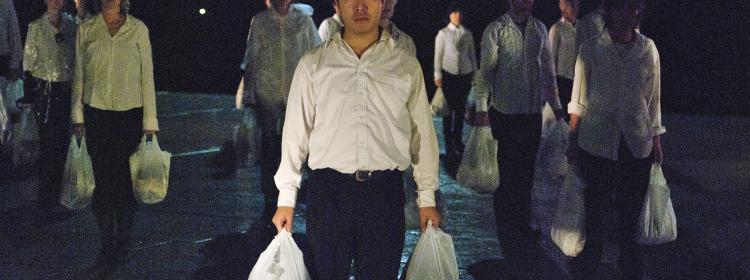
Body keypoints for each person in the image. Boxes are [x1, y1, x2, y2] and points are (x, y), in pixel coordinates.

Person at [271, 0, 441, 277]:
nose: (360, 5)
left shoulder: (405, 65)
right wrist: (286, 197)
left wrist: (427, 198)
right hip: (329, 194)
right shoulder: (314, 63)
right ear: (337, 4)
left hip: (384, 196)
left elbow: (422, 133)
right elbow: (295, 133)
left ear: (383, 3)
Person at [567, 0, 663, 278]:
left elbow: (654, 100)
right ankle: (590, 269)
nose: (626, 15)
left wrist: (657, 141)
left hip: (635, 145)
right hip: (596, 143)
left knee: (629, 218)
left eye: (632, 8)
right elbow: (578, 99)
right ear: (608, 11)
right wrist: (572, 140)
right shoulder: (592, 48)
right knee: (595, 214)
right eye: (619, 8)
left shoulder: (648, 50)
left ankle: (628, 269)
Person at [71, 0, 159, 273]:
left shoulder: (138, 29)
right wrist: (78, 117)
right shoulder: (86, 30)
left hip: (128, 115)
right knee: (102, 183)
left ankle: (122, 243)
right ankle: (106, 245)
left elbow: (147, 77)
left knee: (124, 182)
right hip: (97, 114)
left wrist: (150, 122)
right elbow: (79, 75)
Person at [474, 0, 564, 259]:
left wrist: (556, 106)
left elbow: (547, 71)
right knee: (507, 171)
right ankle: (506, 228)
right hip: (504, 112)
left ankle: (522, 225)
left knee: (525, 172)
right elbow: (486, 72)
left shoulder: (539, 30)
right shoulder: (496, 29)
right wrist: (482, 106)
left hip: (531, 113)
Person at [241, 0, 320, 231]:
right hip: (269, 97)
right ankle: (271, 204)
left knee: (300, 150)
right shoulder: (260, 21)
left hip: (298, 96)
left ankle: (299, 200)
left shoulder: (303, 21)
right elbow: (252, 58)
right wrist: (249, 96)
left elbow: (317, 54)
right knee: (271, 151)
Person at [21, 0, 77, 211]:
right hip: (45, 90)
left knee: (62, 141)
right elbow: (29, 63)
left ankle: (60, 191)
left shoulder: (71, 25)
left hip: (64, 89)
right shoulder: (36, 27)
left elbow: (75, 57)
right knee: (47, 143)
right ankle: (46, 194)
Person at [433, 2, 477, 171]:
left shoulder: (467, 33)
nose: (457, 15)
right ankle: (448, 143)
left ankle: (457, 141)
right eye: (454, 12)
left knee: (459, 110)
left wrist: (474, 73)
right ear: (450, 15)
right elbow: (438, 55)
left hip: (464, 76)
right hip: (449, 76)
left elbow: (472, 54)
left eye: (460, 12)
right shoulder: (443, 33)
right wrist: (437, 75)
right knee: (447, 111)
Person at [549, 0, 579, 115]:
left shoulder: (582, 27)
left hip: (579, 82)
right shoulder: (557, 29)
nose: (577, 8)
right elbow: (551, 62)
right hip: (563, 82)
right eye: (574, 5)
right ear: (565, 7)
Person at [0, 0, 22, 110]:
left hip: (2, 59)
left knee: (3, 107)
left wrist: (14, 63)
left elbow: (14, 32)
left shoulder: (5, 2)